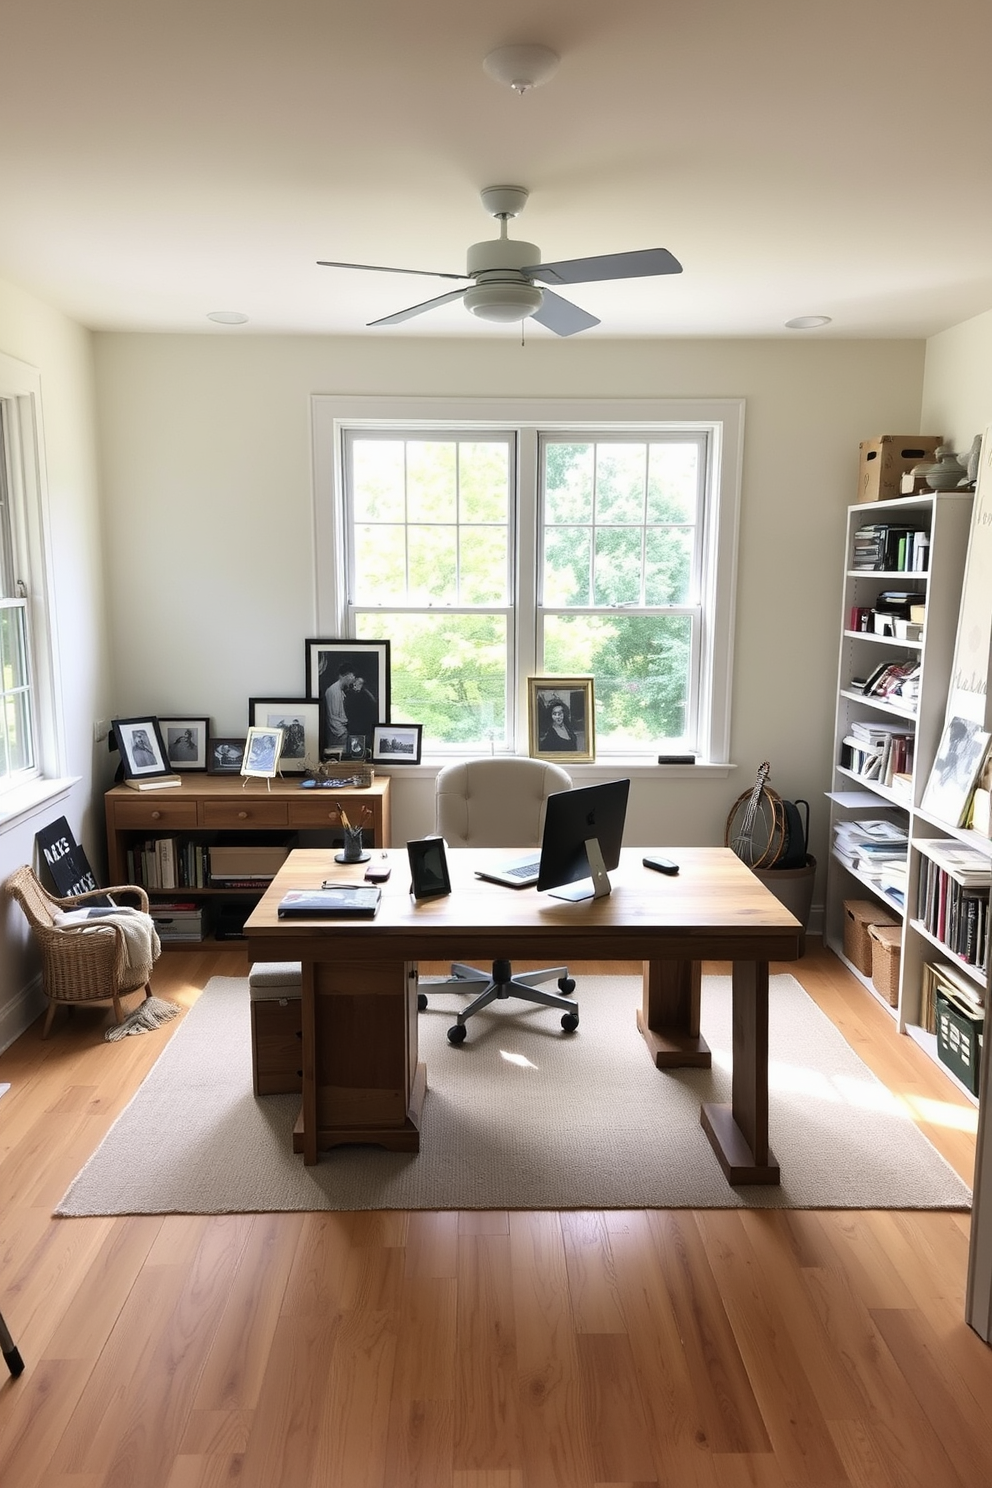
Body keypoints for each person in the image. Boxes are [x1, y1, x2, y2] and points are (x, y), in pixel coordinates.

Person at [323, 665, 355, 754]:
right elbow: (333, 717)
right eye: (352, 676)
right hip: (338, 734)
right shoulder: (334, 691)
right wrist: (342, 732)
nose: (353, 679)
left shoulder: (339, 690)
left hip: (339, 733)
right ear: (347, 676)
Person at [344, 673, 378, 743]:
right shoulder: (353, 694)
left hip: (363, 727)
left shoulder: (365, 696)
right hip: (356, 727)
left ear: (361, 685)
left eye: (357, 684)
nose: (354, 686)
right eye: (354, 683)